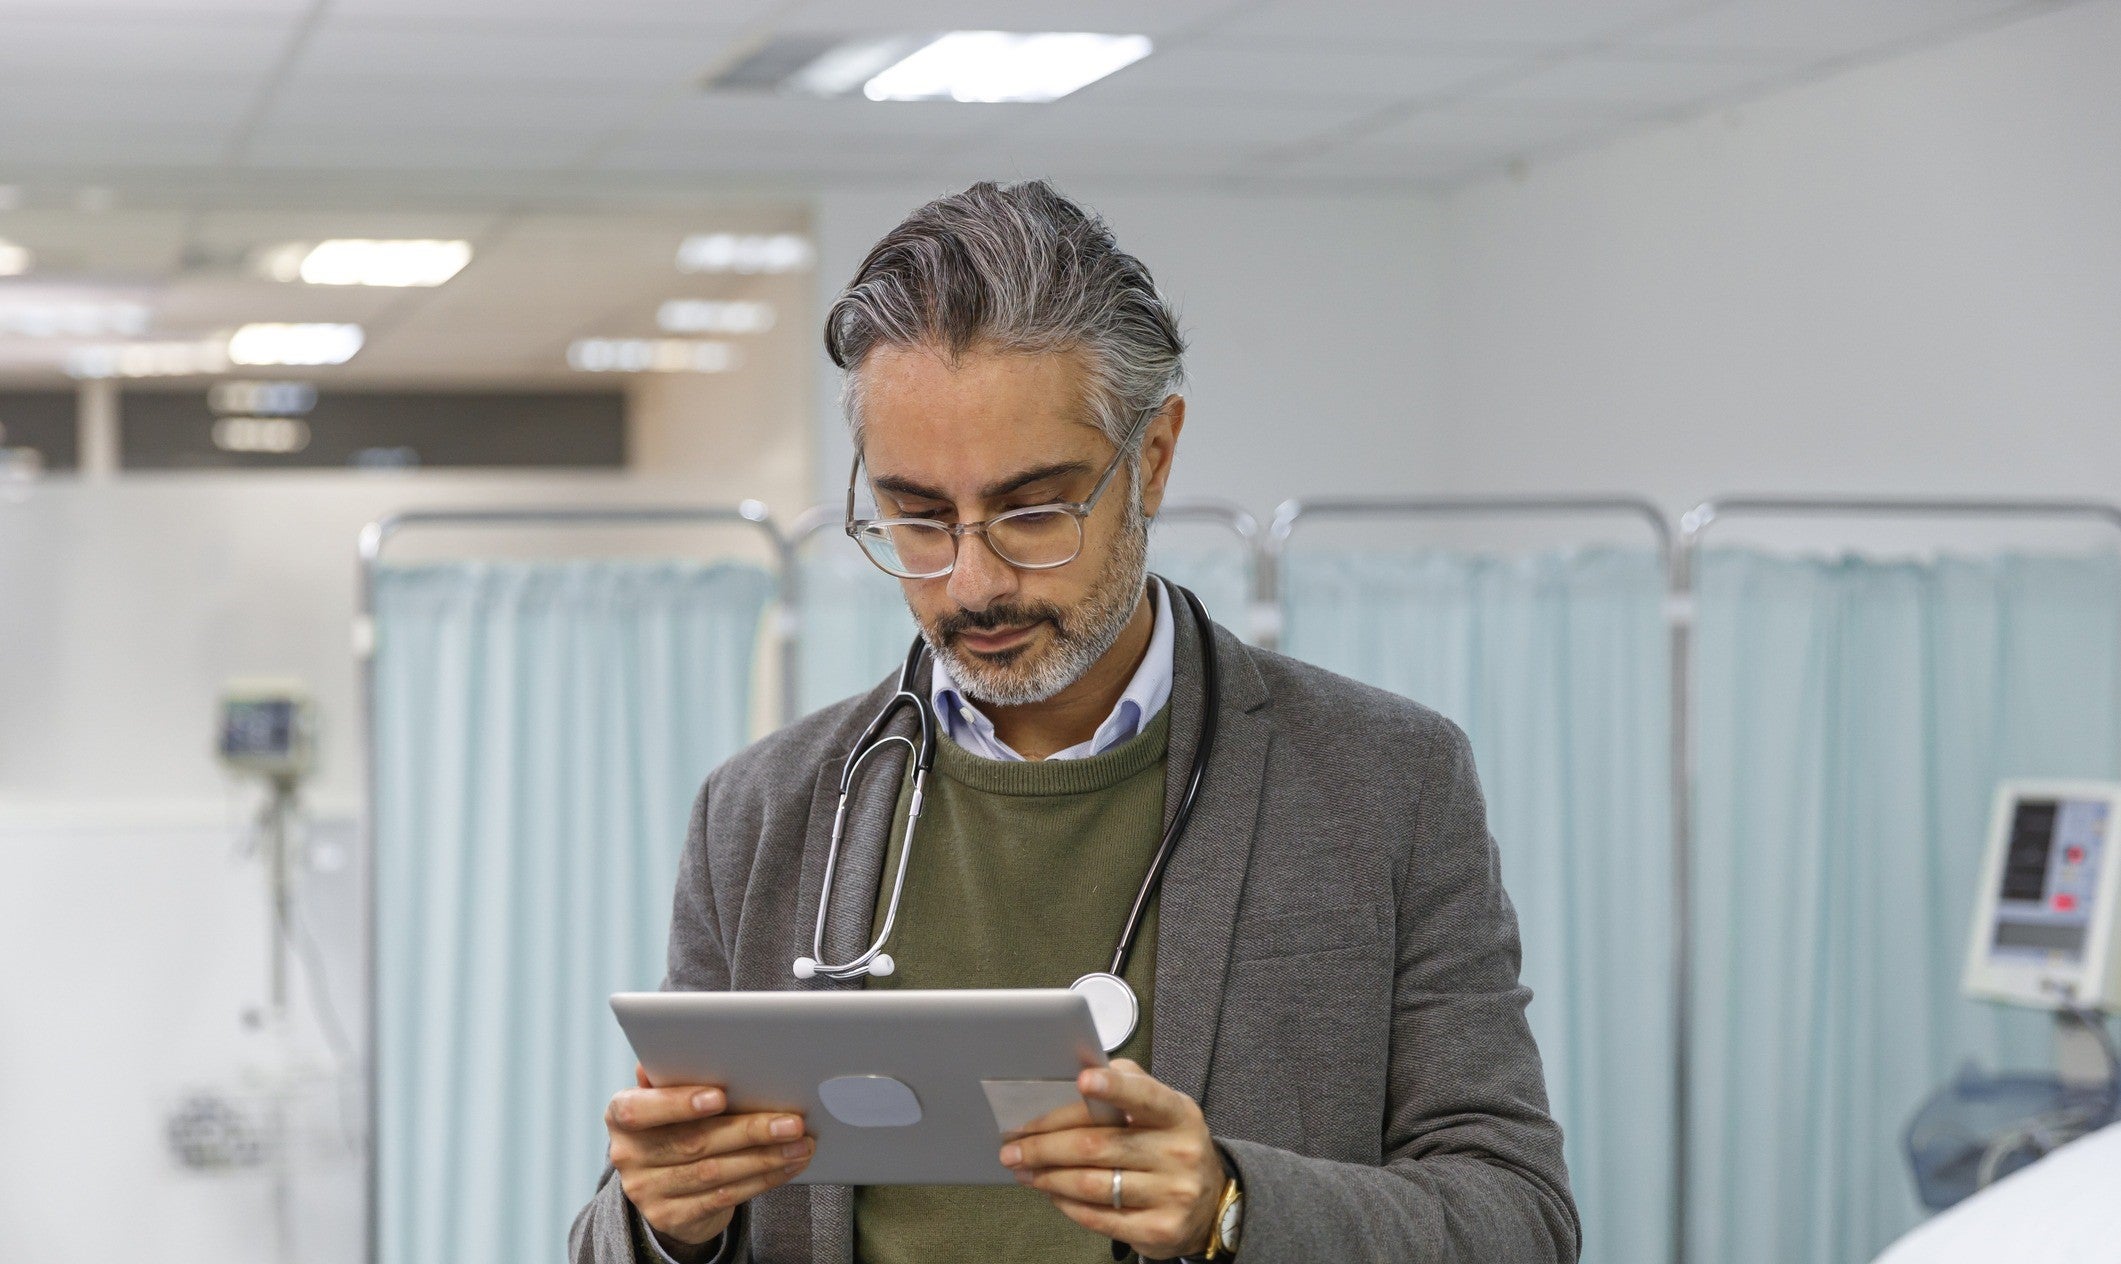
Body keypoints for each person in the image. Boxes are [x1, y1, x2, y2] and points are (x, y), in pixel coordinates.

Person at [570, 180, 1579, 1263]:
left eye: (1033, 508)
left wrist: (1233, 1208)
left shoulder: (1384, 783)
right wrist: (661, 1223)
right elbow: (623, 1226)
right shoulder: (765, 811)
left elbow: (1518, 1217)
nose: (972, 580)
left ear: (1151, 458)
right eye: (917, 516)